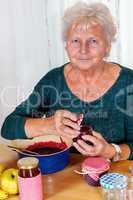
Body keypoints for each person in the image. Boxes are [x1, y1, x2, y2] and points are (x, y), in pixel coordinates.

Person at [1, 2, 133, 161]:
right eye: (75, 41)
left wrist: (111, 151)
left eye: (93, 41)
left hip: (114, 179)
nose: (83, 50)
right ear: (66, 46)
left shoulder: (128, 82)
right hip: (63, 174)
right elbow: (8, 127)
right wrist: (49, 125)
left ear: (107, 46)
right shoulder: (53, 80)